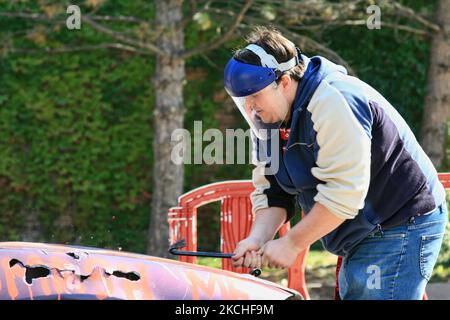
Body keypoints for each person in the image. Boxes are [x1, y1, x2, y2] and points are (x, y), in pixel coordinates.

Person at [224, 26, 448, 300]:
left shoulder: (334, 100)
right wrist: (257, 239)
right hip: (360, 229)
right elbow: (274, 192)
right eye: (242, 100)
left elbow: (344, 194)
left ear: (283, 82)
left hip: (400, 221)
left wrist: (292, 243)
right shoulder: (267, 119)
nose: (250, 108)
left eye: (255, 95)